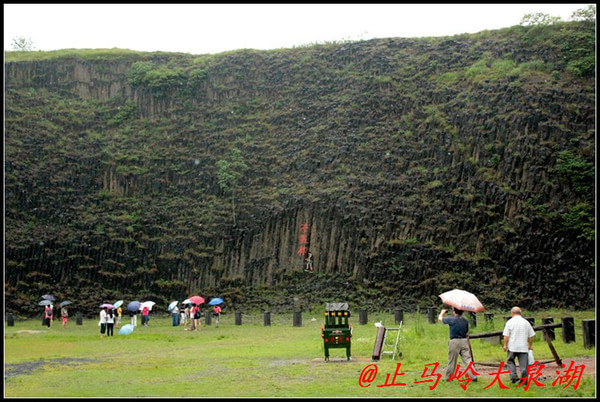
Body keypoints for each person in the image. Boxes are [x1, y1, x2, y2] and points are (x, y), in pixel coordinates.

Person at [438, 307, 477, 382]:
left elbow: (440, 319)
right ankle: (473, 376)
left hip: (454, 341)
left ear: (454, 312)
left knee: (452, 360)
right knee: (468, 360)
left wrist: (442, 312)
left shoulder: (451, 319)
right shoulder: (465, 321)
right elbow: (466, 331)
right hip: (464, 341)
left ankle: (449, 377)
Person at [502, 306, 536, 383]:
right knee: (524, 365)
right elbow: (531, 336)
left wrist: (505, 345)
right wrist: (530, 346)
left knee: (510, 361)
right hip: (523, 347)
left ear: (512, 313)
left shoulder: (509, 322)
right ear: (520, 313)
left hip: (512, 347)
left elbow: (506, 335)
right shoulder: (526, 322)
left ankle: (513, 376)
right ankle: (524, 380)